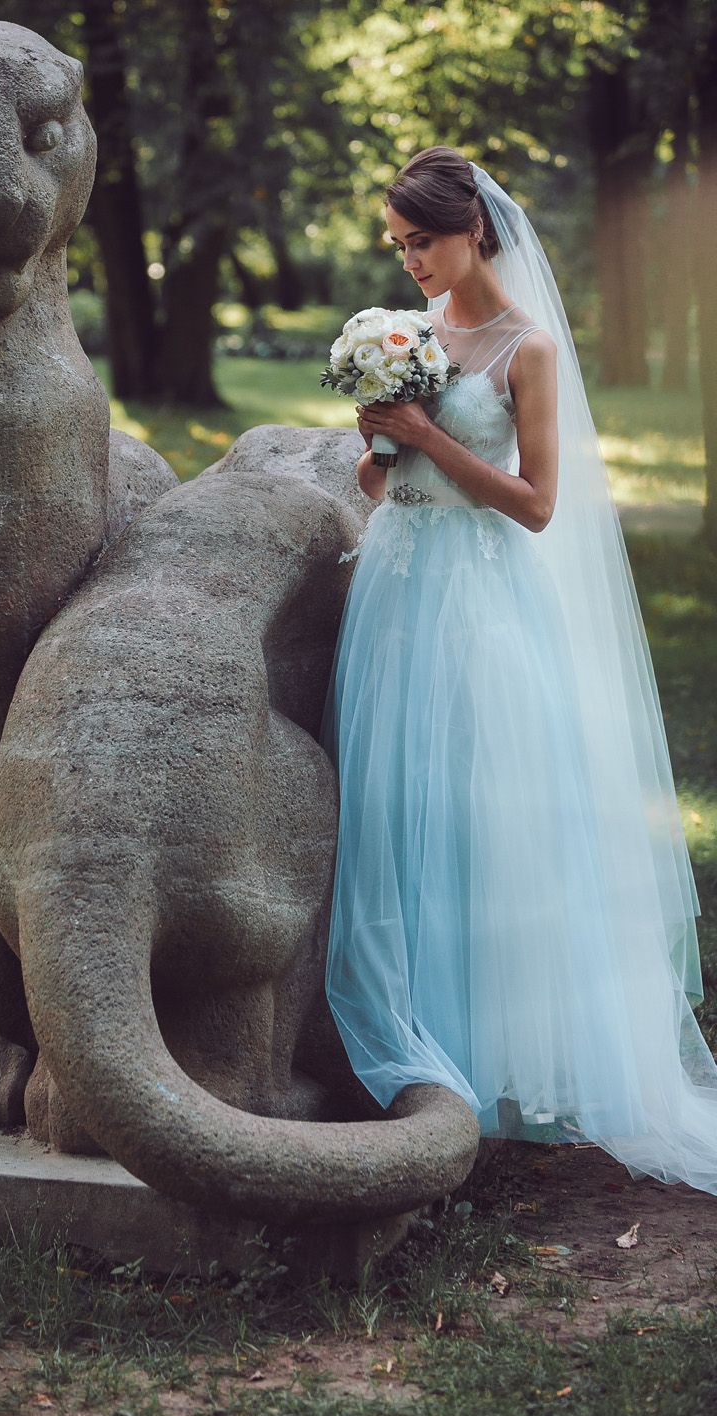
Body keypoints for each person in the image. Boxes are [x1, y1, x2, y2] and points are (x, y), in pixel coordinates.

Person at [324, 146, 717, 1193]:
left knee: (489, 816)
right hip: (398, 590)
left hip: (482, 599)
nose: (410, 261)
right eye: (399, 246)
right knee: (396, 809)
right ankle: (425, 1049)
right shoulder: (410, 339)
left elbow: (538, 504)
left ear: (476, 231)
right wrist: (380, 443)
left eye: (423, 241)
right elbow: (380, 481)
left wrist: (427, 437)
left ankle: (505, 1063)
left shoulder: (525, 349)